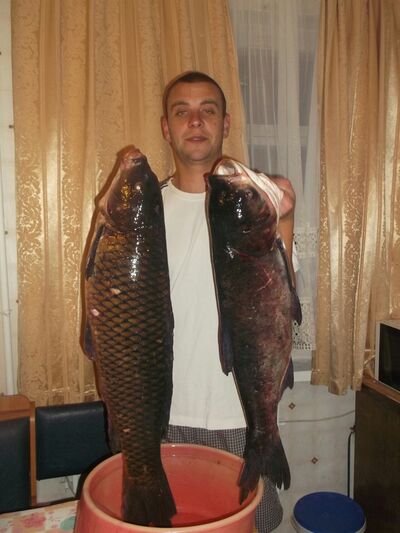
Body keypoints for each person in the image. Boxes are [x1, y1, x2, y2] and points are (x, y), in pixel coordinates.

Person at [160, 71, 296, 533]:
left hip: (242, 413)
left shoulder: (253, 201)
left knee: (250, 527)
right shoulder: (145, 211)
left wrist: (286, 217)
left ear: (226, 122)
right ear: (166, 128)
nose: (196, 120)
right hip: (165, 414)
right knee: (174, 524)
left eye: (208, 110)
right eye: (182, 111)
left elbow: (279, 299)